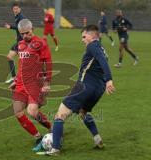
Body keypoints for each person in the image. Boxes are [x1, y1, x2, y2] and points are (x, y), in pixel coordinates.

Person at [39, 25, 115, 155]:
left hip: (85, 86)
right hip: (98, 89)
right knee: (82, 112)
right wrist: (106, 82)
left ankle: (55, 148)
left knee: (60, 115)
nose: (82, 40)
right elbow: (101, 63)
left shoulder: (92, 46)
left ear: (92, 36)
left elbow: (103, 62)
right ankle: (98, 140)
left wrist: (109, 80)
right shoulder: (102, 48)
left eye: (84, 36)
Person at [9, 19, 52, 150]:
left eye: (27, 33)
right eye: (22, 34)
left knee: (32, 112)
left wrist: (47, 83)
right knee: (18, 112)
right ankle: (38, 137)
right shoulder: (20, 45)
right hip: (21, 84)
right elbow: (22, 66)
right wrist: (15, 81)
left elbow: (47, 63)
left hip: (35, 83)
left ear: (32, 29)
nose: (25, 36)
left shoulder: (41, 43)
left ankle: (53, 128)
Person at [4, 3, 25, 84]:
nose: (15, 10)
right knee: (9, 57)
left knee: (25, 61)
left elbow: (22, 27)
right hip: (19, 41)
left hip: (23, 43)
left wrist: (10, 27)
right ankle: (14, 77)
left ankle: (41, 74)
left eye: (16, 9)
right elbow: (19, 29)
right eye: (14, 9)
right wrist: (18, 36)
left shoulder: (21, 17)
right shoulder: (17, 17)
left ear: (19, 9)